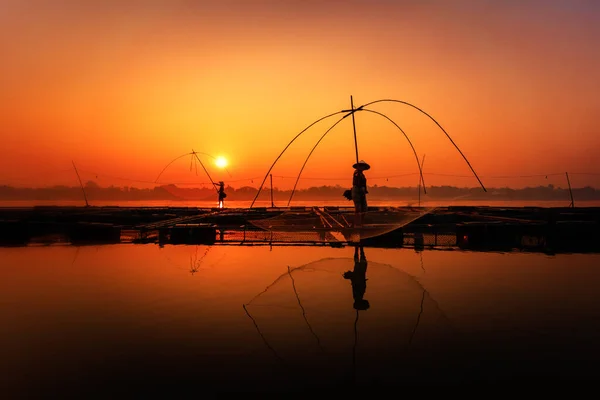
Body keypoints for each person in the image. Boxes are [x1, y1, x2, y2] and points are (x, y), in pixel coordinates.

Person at [343, 245, 369, 310]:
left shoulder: (357, 296)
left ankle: (358, 248)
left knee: (359, 261)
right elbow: (357, 285)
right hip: (360, 275)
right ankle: (358, 248)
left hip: (359, 275)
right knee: (359, 261)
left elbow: (356, 285)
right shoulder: (357, 296)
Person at [351, 160, 370, 227]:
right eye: (361, 166)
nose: (363, 167)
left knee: (364, 208)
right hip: (357, 191)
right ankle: (357, 223)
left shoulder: (362, 174)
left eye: (363, 166)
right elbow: (356, 178)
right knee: (358, 208)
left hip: (362, 191)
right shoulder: (356, 173)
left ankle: (361, 222)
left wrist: (364, 190)